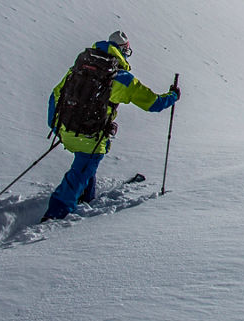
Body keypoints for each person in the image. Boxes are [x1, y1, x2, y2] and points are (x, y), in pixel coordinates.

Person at [41, 30, 179, 221]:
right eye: (127, 51)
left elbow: (55, 95)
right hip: (91, 137)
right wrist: (173, 96)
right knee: (80, 172)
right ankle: (57, 213)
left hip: (65, 129)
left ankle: (87, 198)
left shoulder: (80, 67)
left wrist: (57, 127)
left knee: (85, 164)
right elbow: (153, 103)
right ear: (122, 50)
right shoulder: (120, 77)